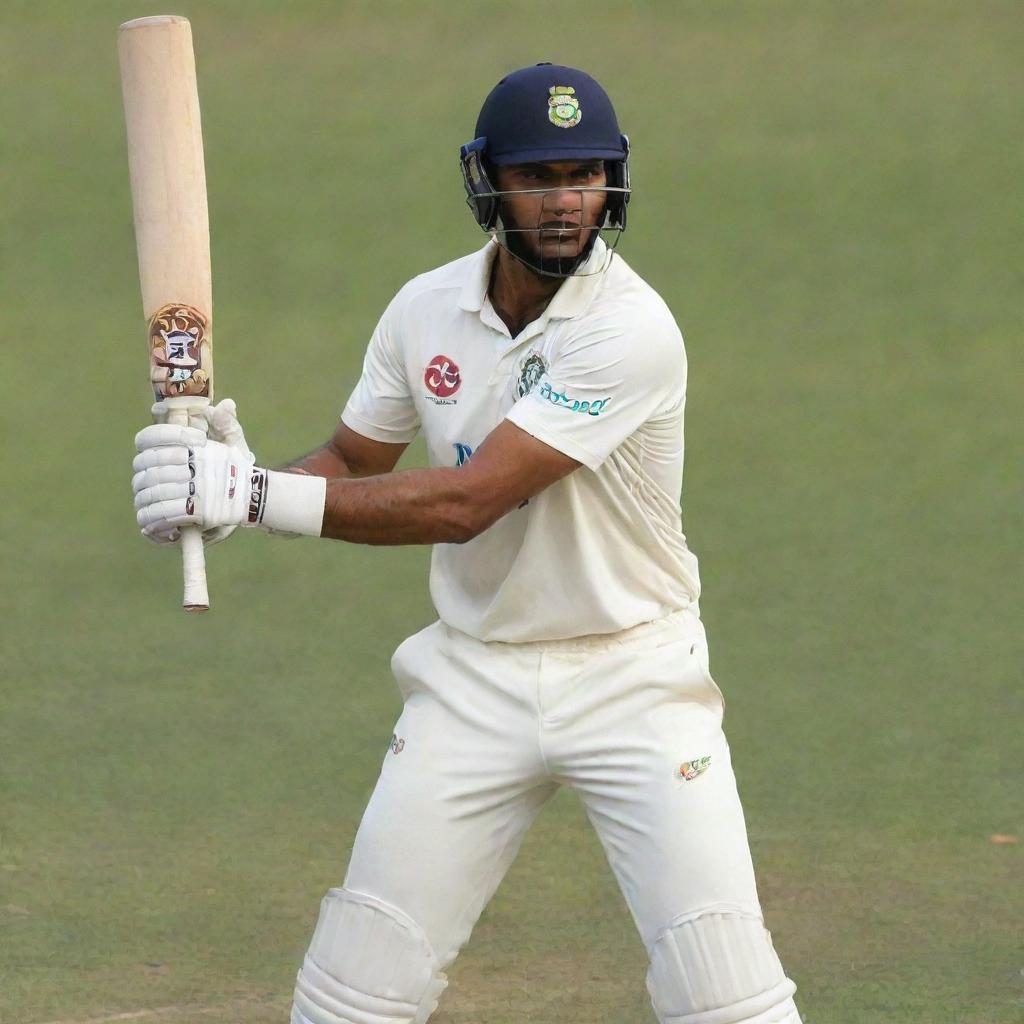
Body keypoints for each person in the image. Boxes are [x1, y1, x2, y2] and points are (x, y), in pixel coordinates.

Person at [132, 63, 801, 1024]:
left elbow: (468, 502)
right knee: (351, 994)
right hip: (473, 680)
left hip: (635, 679)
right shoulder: (423, 310)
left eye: (587, 174)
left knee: (725, 996)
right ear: (488, 181)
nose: (568, 201)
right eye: (540, 176)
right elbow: (356, 461)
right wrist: (235, 489)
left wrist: (255, 498)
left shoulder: (632, 330)